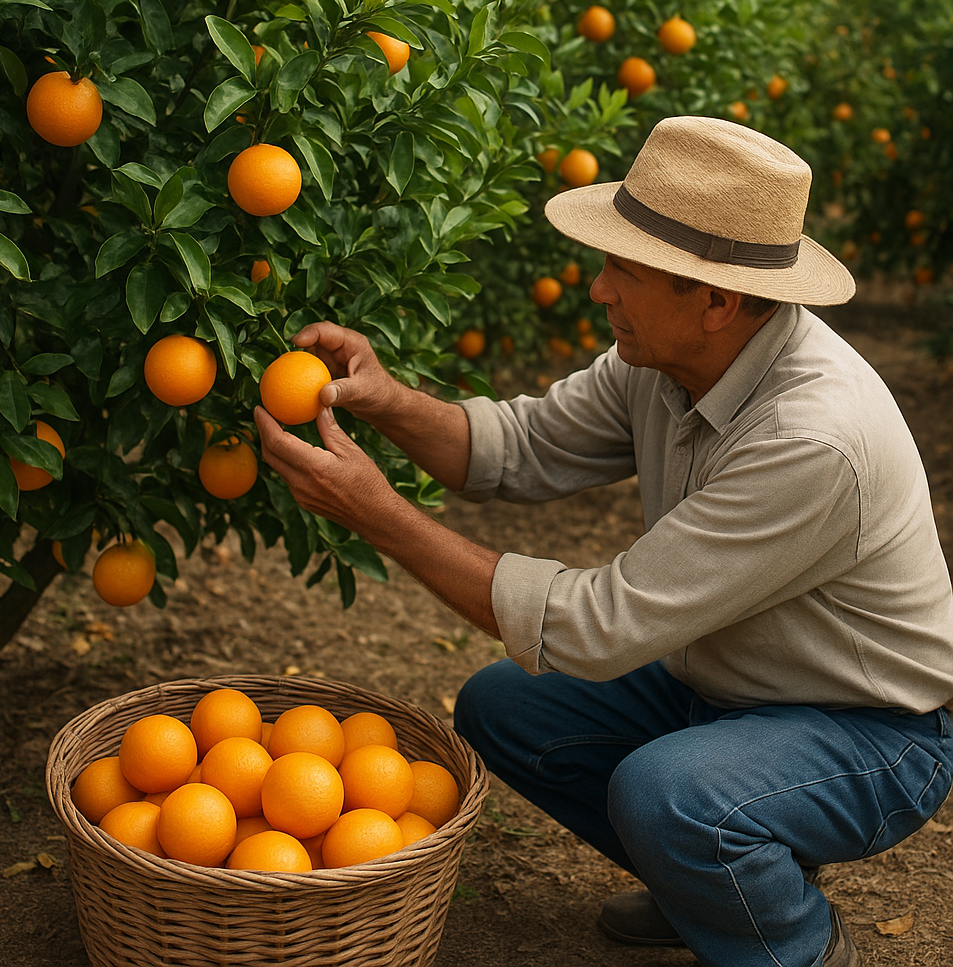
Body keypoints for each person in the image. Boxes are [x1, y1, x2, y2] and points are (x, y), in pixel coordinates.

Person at [253, 115, 953, 967]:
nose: (599, 289)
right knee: (504, 706)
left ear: (718, 301)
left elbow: (595, 628)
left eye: (623, 268)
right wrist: (388, 400)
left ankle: (796, 946)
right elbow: (514, 449)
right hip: (724, 688)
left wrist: (376, 513)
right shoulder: (665, 359)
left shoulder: (810, 440)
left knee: (667, 795)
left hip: (872, 734)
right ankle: (717, 886)